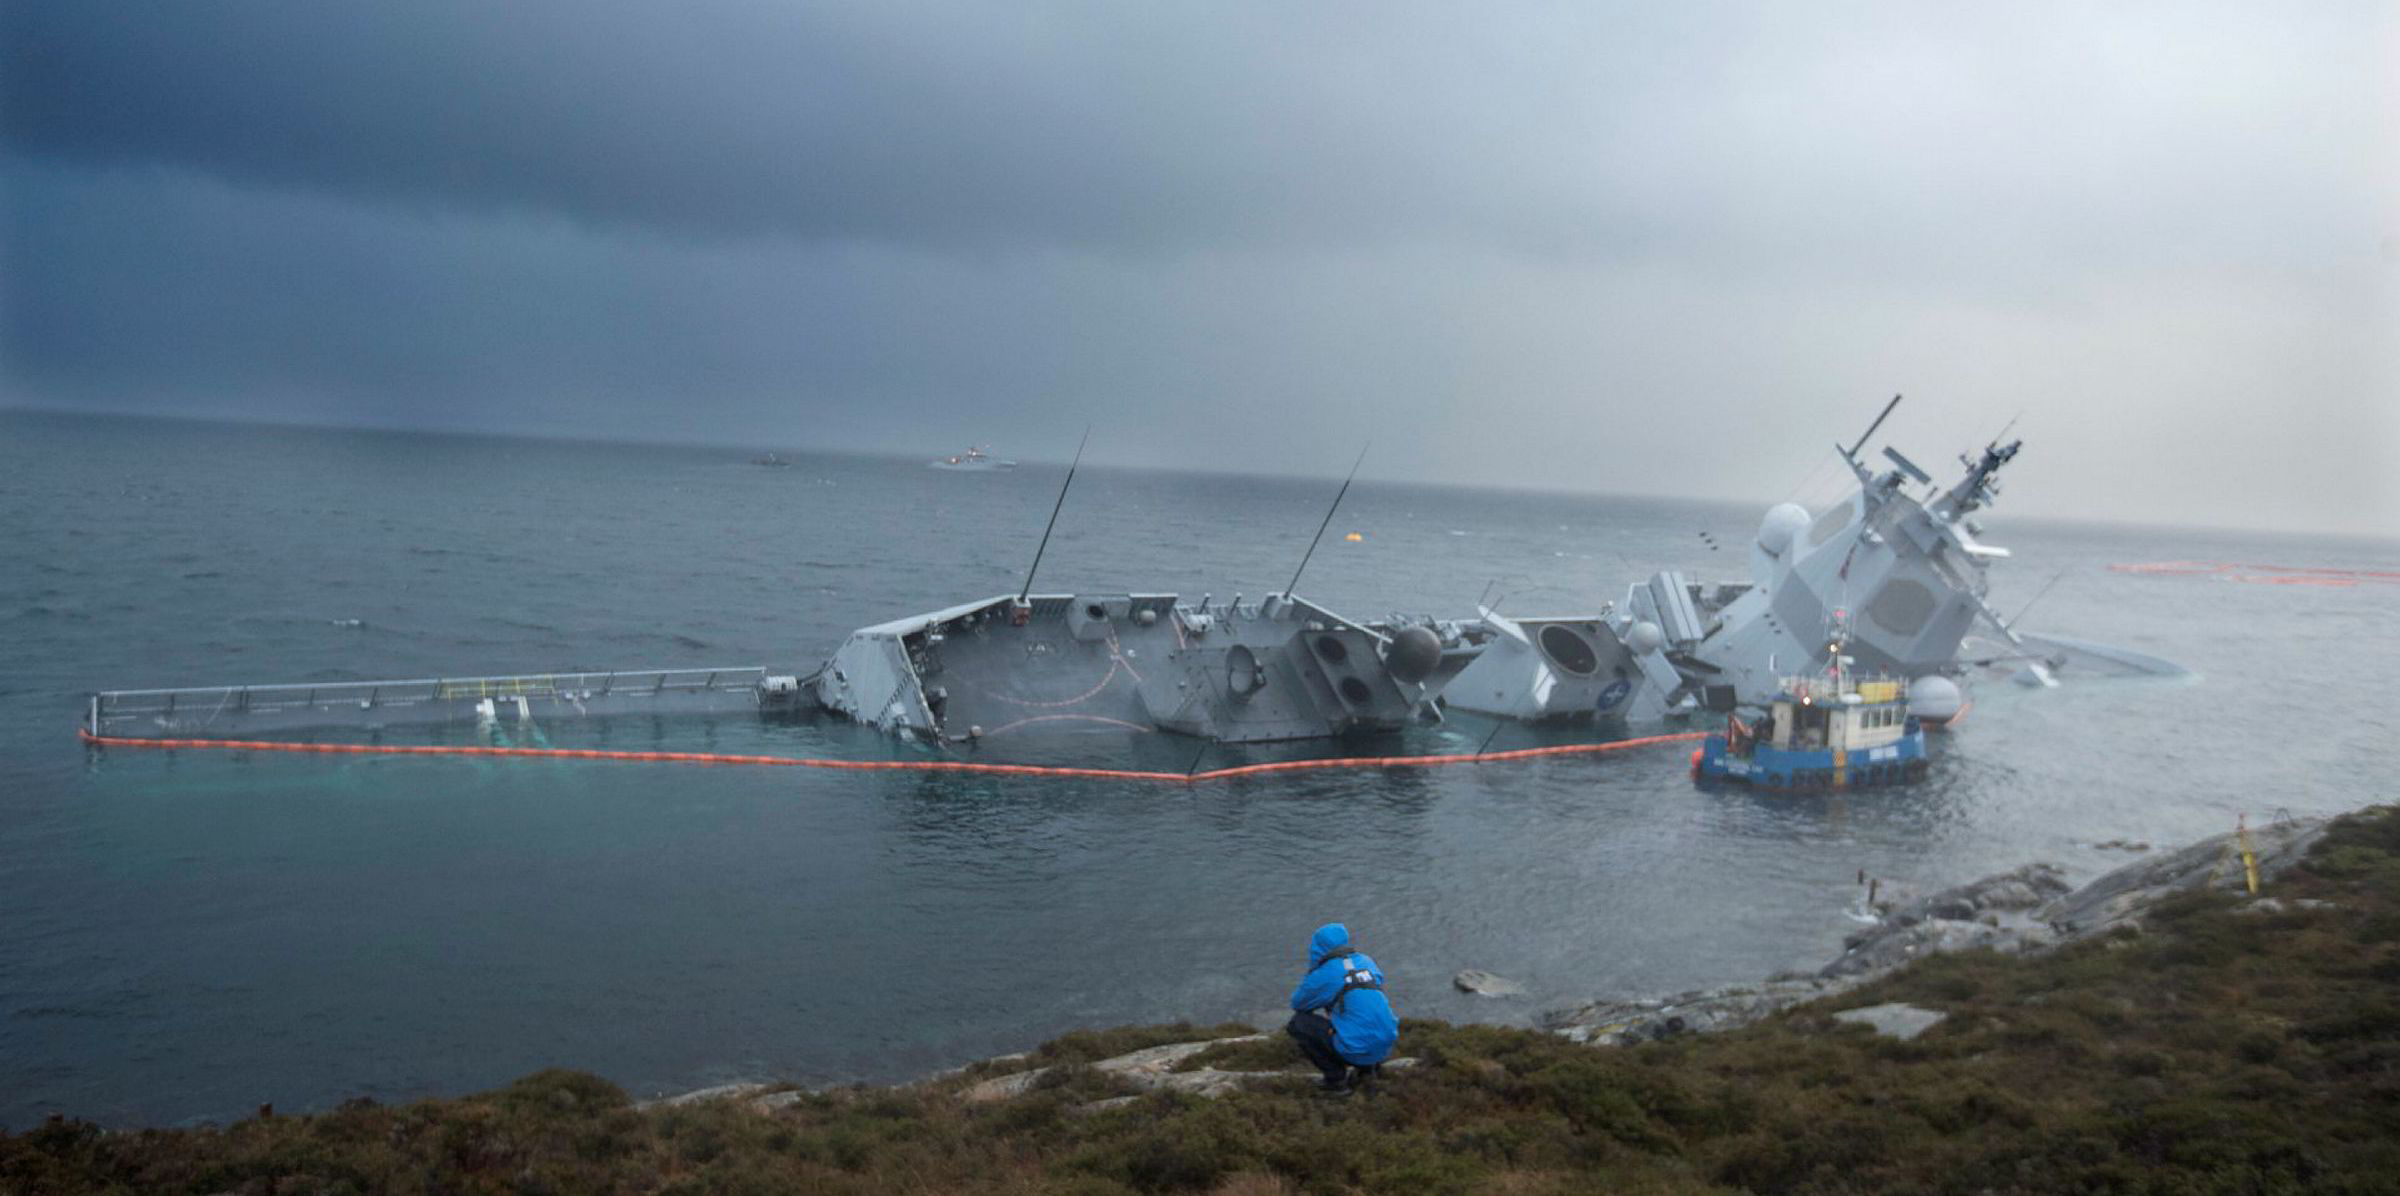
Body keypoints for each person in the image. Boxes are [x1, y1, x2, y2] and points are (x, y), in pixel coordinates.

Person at [1286, 921, 1397, 1096]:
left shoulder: (1326, 973)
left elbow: (1298, 1003)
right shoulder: (1366, 961)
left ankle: (1335, 1080)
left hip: (1356, 1048)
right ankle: (1367, 1070)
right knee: (1359, 1014)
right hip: (1385, 1045)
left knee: (1299, 1023)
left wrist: (1313, 972)